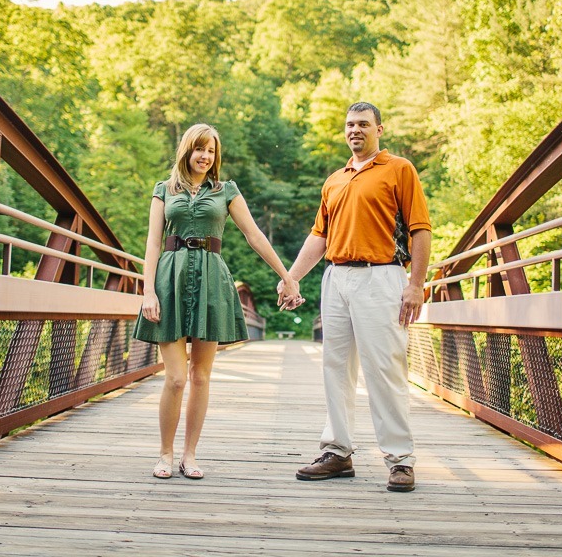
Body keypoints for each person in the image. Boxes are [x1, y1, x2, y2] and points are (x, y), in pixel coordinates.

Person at [277, 102, 431, 492]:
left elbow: (420, 230)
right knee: (336, 367)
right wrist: (291, 277)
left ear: (381, 128)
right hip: (337, 278)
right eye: (349, 124)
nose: (355, 130)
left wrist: (415, 284)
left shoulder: (399, 169)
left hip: (381, 277)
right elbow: (319, 236)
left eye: (363, 124)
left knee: (385, 368)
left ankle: (400, 459)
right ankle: (338, 452)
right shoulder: (335, 179)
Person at [134, 122, 300, 481]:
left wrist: (287, 276)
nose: (205, 156)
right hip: (171, 279)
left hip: (211, 281)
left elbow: (253, 234)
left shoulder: (227, 191)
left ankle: (189, 455)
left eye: (211, 151)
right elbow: (151, 242)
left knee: (201, 376)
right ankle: (165, 452)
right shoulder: (164, 190)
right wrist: (148, 290)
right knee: (176, 378)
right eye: (199, 149)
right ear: (186, 151)